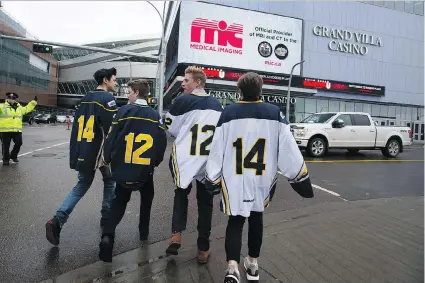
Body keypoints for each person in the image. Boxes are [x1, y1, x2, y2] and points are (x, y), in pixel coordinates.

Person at [205, 72, 314, 283]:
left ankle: (232, 268)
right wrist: (299, 178)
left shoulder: (228, 112)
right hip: (262, 177)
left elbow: (217, 149)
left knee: (235, 221)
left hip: (234, 178)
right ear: (260, 90)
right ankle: (253, 265)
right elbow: (288, 149)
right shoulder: (274, 113)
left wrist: (212, 178)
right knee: (256, 219)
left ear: (240, 90)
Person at [45, 68, 118, 246]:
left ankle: (58, 219)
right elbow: (112, 128)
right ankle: (106, 216)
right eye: (114, 79)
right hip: (99, 150)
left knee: (82, 184)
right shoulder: (107, 99)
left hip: (84, 149)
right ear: (106, 80)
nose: (116, 83)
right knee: (110, 180)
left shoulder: (83, 99)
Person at [98, 79, 167, 262]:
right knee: (147, 199)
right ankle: (143, 233)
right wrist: (155, 163)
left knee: (119, 201)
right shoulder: (154, 115)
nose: (128, 95)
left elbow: (111, 138)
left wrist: (109, 158)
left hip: (124, 168)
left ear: (136, 92)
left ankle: (108, 235)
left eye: (129, 91)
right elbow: (161, 142)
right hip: (145, 170)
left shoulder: (123, 111)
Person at [164, 66, 223, 264]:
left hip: (186, 158)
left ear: (198, 82)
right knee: (205, 204)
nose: (182, 83)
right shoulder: (217, 104)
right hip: (207, 160)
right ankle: (203, 248)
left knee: (181, 193)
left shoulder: (182, 101)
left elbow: (170, 128)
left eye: (186, 80)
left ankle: (176, 234)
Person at [0, 93, 37, 165]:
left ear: (15, 99)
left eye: (13, 98)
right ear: (7, 98)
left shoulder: (20, 108)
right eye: (9, 97)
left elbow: (27, 109)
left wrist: (33, 102)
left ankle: (13, 156)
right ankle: (6, 159)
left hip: (16, 130)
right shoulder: (2, 106)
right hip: (5, 130)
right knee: (5, 146)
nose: (11, 99)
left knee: (19, 143)